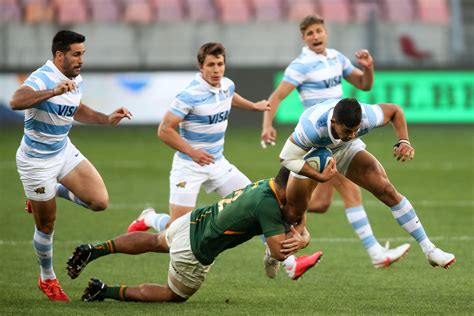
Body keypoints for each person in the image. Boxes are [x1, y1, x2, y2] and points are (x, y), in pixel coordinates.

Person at [260, 14, 409, 273]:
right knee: (351, 192)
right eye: (310, 33)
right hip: (320, 141)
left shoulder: (337, 58)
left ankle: (274, 221)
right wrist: (267, 125)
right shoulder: (300, 65)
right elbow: (277, 95)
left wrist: (369, 67)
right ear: (304, 39)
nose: (316, 36)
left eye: (319, 31)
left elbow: (364, 84)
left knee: (319, 204)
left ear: (325, 32)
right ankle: (375, 253)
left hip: (342, 135)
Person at [66, 168, 323, 303]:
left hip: (193, 220)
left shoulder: (265, 186)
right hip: (197, 248)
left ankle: (95, 249)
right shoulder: (268, 205)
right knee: (172, 295)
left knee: (157, 240)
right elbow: (278, 251)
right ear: (291, 186)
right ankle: (104, 291)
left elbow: (296, 214)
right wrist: (304, 240)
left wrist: (301, 233)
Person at [9, 30, 132, 301]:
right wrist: (52, 91)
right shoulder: (43, 77)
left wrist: (105, 118)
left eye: (83, 54)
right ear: (59, 55)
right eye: (76, 54)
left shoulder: (75, 77)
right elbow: (15, 101)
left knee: (100, 201)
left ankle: (51, 191)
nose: (81, 60)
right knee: (46, 225)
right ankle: (47, 277)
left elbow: (74, 108)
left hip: (63, 150)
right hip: (36, 163)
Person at [279, 97, 455, 269]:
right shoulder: (311, 129)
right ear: (333, 122)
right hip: (309, 155)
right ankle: (275, 255)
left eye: (356, 130)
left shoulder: (365, 118)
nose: (354, 134)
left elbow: (395, 110)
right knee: (293, 213)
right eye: (348, 130)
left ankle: (430, 249)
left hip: (344, 149)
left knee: (386, 190)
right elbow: (286, 158)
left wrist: (404, 141)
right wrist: (321, 177)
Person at [127, 42, 270, 234]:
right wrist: (193, 153)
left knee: (256, 206)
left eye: (220, 64)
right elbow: (164, 130)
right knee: (177, 233)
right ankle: (149, 218)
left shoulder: (227, 85)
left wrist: (253, 106)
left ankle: (289, 262)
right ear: (201, 67)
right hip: (189, 166)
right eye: (211, 65)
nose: (216, 70)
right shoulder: (189, 96)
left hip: (218, 163)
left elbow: (229, 95)